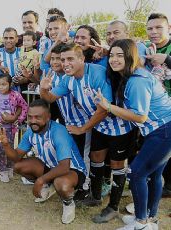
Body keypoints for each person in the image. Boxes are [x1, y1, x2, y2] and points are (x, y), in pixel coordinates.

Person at [40, 43, 136, 223]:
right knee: (95, 159)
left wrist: (83, 128)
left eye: (70, 59)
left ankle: (113, 207)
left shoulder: (97, 73)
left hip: (119, 126)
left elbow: (103, 109)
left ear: (82, 59)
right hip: (99, 126)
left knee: (117, 165)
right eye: (63, 60)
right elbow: (50, 98)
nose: (65, 63)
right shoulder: (68, 79)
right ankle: (96, 196)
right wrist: (43, 88)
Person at [94, 39, 171, 230]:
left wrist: (108, 106)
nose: (114, 59)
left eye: (120, 55)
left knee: (136, 173)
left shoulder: (137, 81)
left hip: (163, 131)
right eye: (112, 55)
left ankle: (141, 223)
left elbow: (140, 116)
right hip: (161, 130)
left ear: (132, 56)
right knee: (153, 175)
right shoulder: (134, 75)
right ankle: (150, 219)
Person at [0, 99, 87, 224]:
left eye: (38, 117)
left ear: (48, 117)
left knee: (61, 183)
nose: (33, 121)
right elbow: (16, 157)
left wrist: (40, 180)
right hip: (51, 166)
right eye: (30, 117)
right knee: (18, 166)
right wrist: (5, 145)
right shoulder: (30, 131)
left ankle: (68, 204)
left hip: (72, 170)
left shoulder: (59, 132)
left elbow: (64, 167)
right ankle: (49, 186)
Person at [40, 44, 91, 199]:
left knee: (84, 155)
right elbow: (48, 98)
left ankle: (85, 186)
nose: (56, 62)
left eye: (60, 59)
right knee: (67, 154)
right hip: (67, 123)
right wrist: (43, 89)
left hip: (83, 123)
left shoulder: (73, 76)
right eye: (54, 59)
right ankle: (67, 181)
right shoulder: (52, 77)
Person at [145, 13, 171, 197]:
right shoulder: (147, 48)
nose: (153, 32)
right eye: (150, 28)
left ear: (169, 28)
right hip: (156, 111)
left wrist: (167, 60)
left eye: (158, 27)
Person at [0, 74, 28, 182]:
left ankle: (10, 167)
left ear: (10, 84)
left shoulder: (16, 95)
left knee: (10, 147)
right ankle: (3, 170)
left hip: (11, 128)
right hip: (0, 128)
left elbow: (24, 106)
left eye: (4, 84)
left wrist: (17, 119)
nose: (1, 87)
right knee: (1, 149)